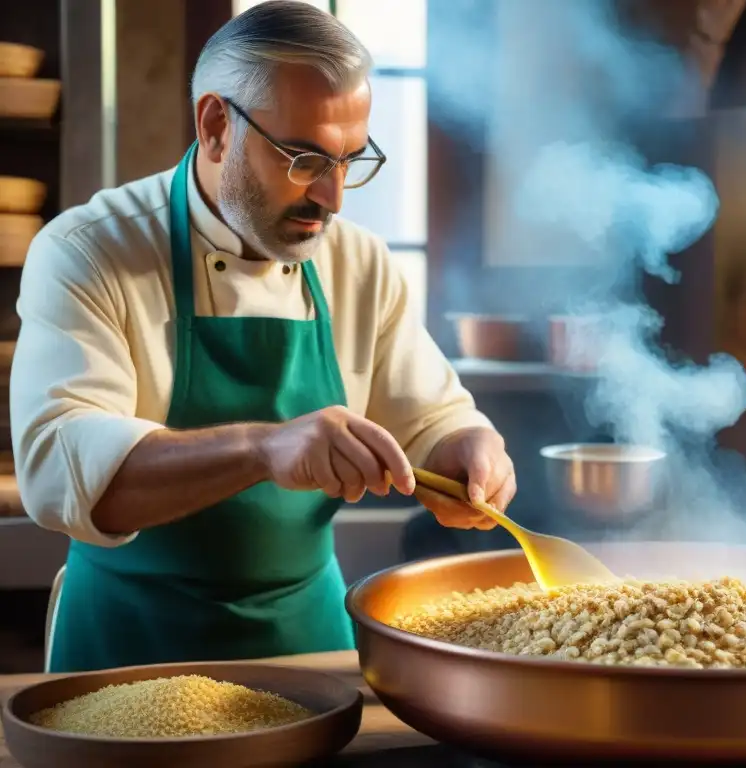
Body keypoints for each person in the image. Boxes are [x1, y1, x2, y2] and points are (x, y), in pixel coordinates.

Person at [10, 0, 515, 674]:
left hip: (309, 644)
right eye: (305, 160)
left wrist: (466, 451)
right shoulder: (89, 251)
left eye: (351, 161)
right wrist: (263, 446)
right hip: (127, 650)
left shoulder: (359, 263)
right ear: (217, 126)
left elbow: (431, 417)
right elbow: (54, 465)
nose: (333, 198)